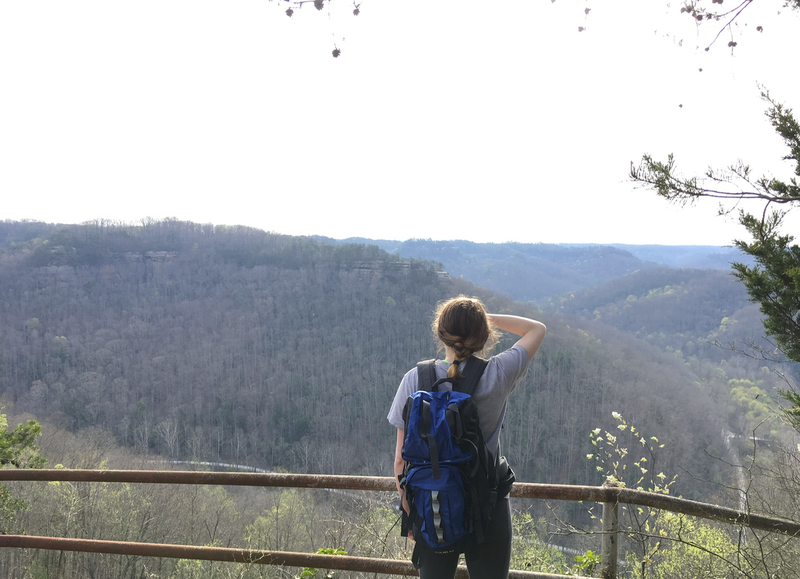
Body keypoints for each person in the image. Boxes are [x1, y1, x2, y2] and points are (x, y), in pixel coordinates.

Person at [387, 295, 546, 579]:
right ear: (484, 334)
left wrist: (410, 509)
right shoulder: (498, 373)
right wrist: (485, 320)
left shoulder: (415, 379)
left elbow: (401, 460)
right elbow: (536, 329)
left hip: (432, 501)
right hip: (488, 505)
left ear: (440, 333)